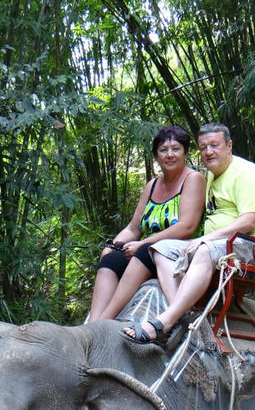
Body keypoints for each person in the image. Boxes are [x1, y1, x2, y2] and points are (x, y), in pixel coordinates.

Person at [102, 122, 255, 344]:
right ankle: (180, 312)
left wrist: (202, 240)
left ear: (229, 145)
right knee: (159, 248)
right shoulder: (214, 175)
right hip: (225, 244)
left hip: (253, 245)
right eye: (203, 147)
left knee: (204, 249)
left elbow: (248, 221)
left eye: (214, 145)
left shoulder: (245, 173)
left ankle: (165, 321)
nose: (208, 152)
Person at [87, 125, 205, 322]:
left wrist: (143, 243)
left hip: (178, 251)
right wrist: (111, 246)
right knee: (110, 260)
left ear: (185, 152)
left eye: (176, 149)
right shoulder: (152, 185)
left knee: (145, 251)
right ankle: (92, 322)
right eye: (163, 150)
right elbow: (134, 228)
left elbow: (187, 226)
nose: (170, 155)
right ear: (156, 155)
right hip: (148, 250)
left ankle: (103, 322)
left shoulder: (193, 179)